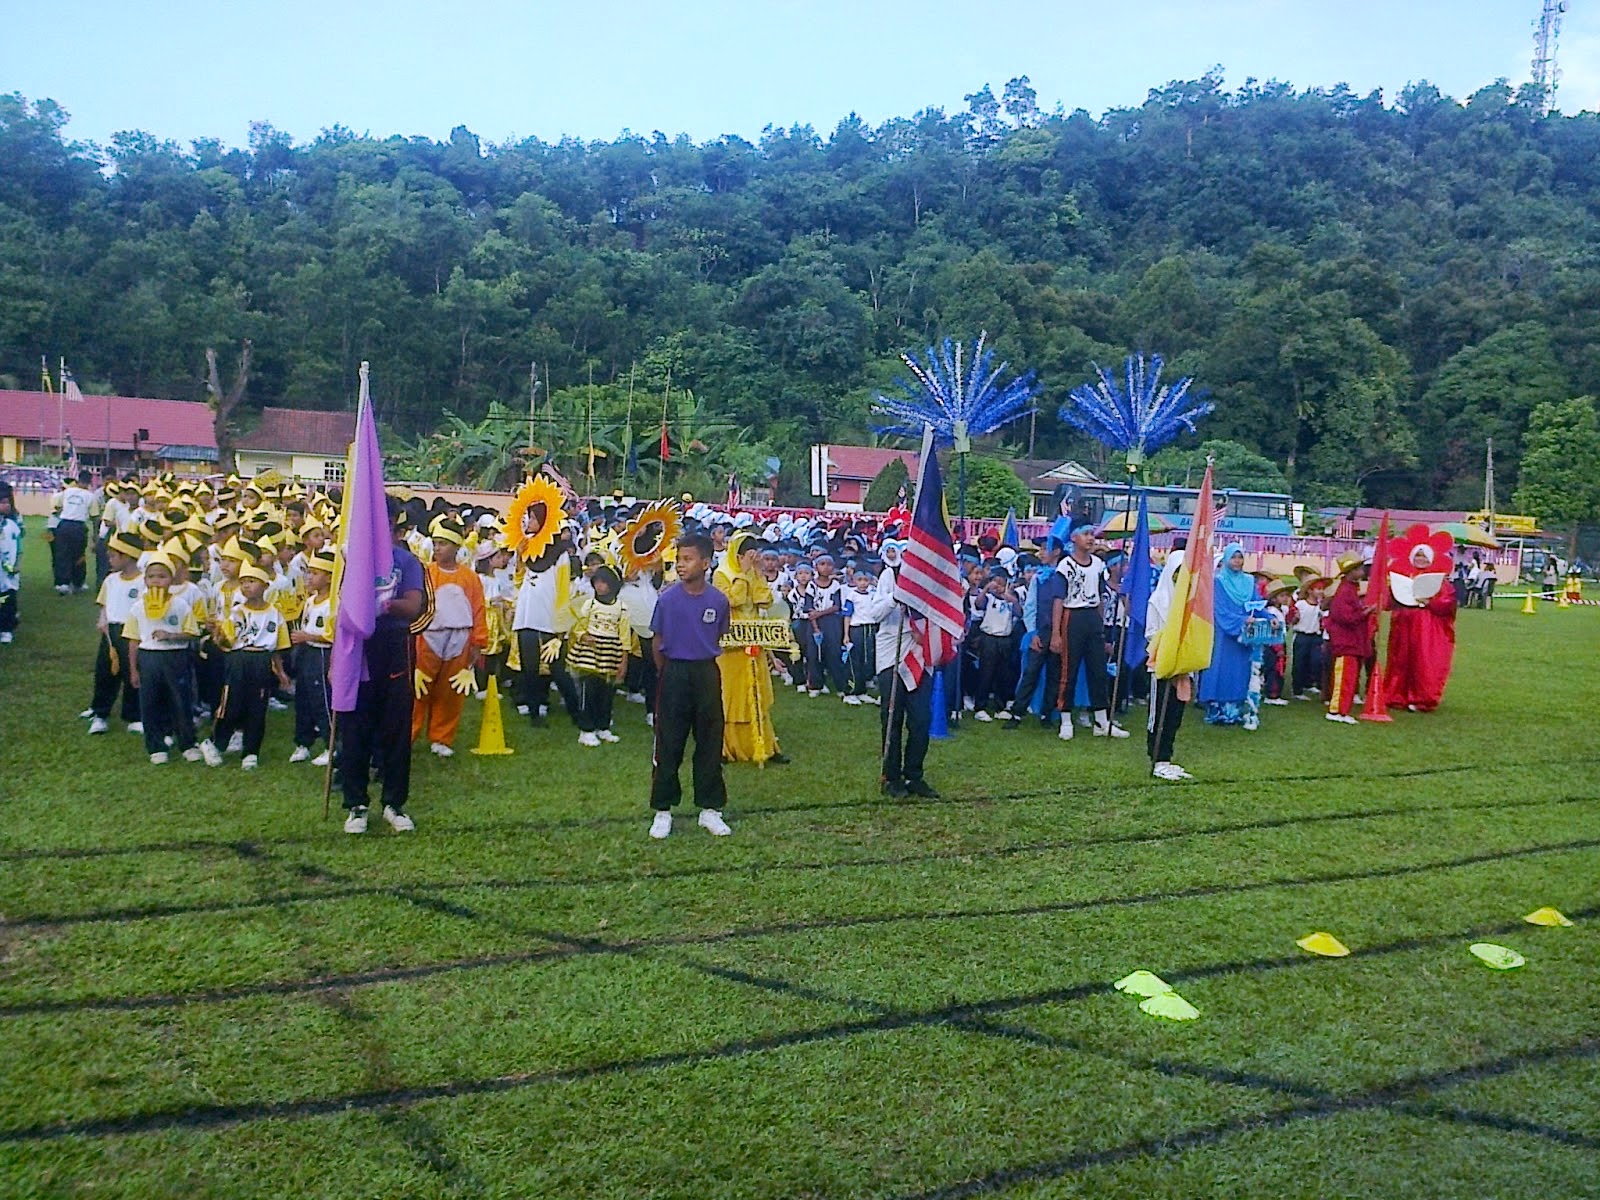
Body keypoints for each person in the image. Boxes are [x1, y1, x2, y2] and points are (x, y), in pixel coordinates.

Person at [341, 497, 431, 833]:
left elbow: (414, 606)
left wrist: (387, 604)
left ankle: (394, 803)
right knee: (355, 727)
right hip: (359, 649)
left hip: (394, 647)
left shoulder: (406, 561)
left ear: (393, 521)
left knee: (395, 728)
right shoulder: (353, 560)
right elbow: (343, 609)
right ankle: (356, 805)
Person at [648, 533, 732, 838]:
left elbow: (718, 634)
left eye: (688, 559)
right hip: (675, 673)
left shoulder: (718, 600)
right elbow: (657, 642)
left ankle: (710, 809)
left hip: (706, 673)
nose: (681, 565)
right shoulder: (667, 599)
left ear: (706, 563)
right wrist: (669, 673)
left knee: (710, 741)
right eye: (678, 559)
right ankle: (663, 809)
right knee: (669, 742)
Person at [200, 562, 290, 770]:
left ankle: (251, 751)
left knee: (257, 707)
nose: (246, 586)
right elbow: (226, 641)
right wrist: (217, 632)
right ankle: (215, 742)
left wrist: (281, 672)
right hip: (239, 659)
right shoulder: (237, 612)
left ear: (265, 585)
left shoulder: (275, 614)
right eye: (243, 583)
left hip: (261, 661)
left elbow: (277, 646)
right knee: (232, 704)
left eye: (251, 581)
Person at [411, 523, 487, 757]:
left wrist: (478, 641)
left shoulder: (470, 578)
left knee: (450, 689)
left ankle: (442, 737)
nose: (438, 548)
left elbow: (478, 609)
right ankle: (408, 733)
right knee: (418, 688)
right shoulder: (426, 573)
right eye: (435, 544)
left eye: (443, 544)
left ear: (455, 546)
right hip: (428, 636)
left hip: (459, 638)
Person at [125, 550, 203, 764]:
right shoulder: (138, 607)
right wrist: (133, 669)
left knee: (181, 700)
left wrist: (171, 636)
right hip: (149, 658)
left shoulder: (180, 605)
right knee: (150, 702)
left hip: (176, 657)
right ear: (145, 580)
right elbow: (132, 639)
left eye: (162, 576)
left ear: (171, 579)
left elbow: (192, 632)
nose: (156, 581)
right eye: (151, 577)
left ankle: (187, 742)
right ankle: (156, 745)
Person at [714, 531, 785, 764]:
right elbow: (731, 601)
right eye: (746, 555)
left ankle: (765, 744)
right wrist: (743, 575)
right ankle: (726, 747)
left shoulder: (754, 573)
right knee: (731, 695)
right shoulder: (721, 574)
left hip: (754, 639)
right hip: (730, 644)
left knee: (757, 691)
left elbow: (765, 599)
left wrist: (756, 573)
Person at [1053, 521, 1127, 740]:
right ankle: (1065, 718)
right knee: (1069, 669)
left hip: (1092, 618)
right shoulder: (1066, 565)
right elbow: (1059, 600)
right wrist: (1056, 633)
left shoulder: (1097, 565)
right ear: (1074, 538)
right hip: (1072, 616)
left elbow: (1100, 596)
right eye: (1085, 534)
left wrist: (1103, 626)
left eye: (1092, 534)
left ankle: (1101, 719)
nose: (1090, 538)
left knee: (1098, 669)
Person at [875, 554, 938, 799]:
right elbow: (874, 613)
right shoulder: (891, 575)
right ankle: (891, 776)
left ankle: (914, 775)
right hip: (892, 658)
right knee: (892, 720)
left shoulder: (933, 581)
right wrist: (895, 598)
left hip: (921, 659)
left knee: (921, 721)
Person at [566, 564, 635, 746]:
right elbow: (578, 624)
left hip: (611, 651)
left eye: (604, 582)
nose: (599, 586)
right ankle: (586, 729)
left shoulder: (622, 609)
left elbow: (624, 635)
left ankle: (602, 726)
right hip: (590, 652)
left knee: (607, 691)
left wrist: (623, 660)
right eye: (596, 581)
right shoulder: (589, 604)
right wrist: (583, 636)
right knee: (589, 689)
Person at [87, 532, 145, 735]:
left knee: (133, 672)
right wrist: (102, 619)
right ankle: (100, 713)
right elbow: (104, 605)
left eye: (113, 556)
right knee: (105, 671)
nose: (109, 559)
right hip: (111, 630)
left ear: (127, 556)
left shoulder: (144, 581)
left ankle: (134, 715)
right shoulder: (111, 580)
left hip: (133, 633)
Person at [1144, 539, 1192, 781]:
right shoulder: (1158, 601)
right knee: (1160, 712)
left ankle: (1167, 757)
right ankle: (1156, 757)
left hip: (1182, 666)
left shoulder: (1189, 605)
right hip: (1161, 665)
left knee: (1176, 712)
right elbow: (1151, 633)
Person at [1007, 541, 1065, 730]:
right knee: (1031, 672)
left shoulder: (1065, 575)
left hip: (1060, 631)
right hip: (1041, 630)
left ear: (1056, 552)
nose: (1040, 553)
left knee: (1055, 674)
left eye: (1044, 549)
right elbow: (1030, 606)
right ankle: (1017, 712)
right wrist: (1032, 632)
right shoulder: (1038, 578)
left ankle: (1047, 713)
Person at [1197, 543, 1257, 725]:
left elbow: (1256, 604)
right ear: (1225, 559)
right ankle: (1216, 710)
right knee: (1220, 669)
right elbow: (1219, 610)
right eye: (1233, 557)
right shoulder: (1219, 581)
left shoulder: (1249, 581)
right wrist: (1241, 621)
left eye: (1240, 557)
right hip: (1223, 635)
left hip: (1244, 636)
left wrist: (1269, 617)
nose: (1237, 561)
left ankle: (1235, 711)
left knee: (1239, 671)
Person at [288, 549, 336, 765]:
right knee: (303, 697)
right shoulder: (310, 601)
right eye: (309, 572)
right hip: (306, 652)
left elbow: (335, 636)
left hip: (322, 653)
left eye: (316, 573)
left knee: (322, 699)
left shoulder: (333, 604)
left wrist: (308, 635)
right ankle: (303, 741)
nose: (310, 577)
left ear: (328, 577)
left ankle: (331, 744)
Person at [1386, 575, 1458, 713]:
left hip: (1427, 630)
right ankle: (1397, 695)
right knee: (1401, 662)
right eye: (1418, 556)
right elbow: (1390, 601)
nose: (1420, 559)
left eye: (1423, 556)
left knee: (1423, 662)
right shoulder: (1403, 575)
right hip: (1404, 628)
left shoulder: (1441, 581)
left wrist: (1428, 602)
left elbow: (1447, 604)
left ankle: (1420, 698)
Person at [1324, 555, 1375, 724]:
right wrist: (1364, 613)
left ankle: (1342, 710)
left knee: (1349, 677)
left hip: (1351, 641)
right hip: (1346, 642)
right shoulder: (1345, 590)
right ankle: (1336, 710)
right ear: (1351, 572)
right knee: (1344, 677)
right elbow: (1345, 617)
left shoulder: (1350, 588)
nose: (1362, 571)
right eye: (1359, 568)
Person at [52, 471, 94, 594]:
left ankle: (63, 583)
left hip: (64, 524)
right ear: (90, 482)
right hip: (79, 526)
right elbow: (95, 516)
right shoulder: (90, 496)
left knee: (63, 554)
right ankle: (78, 582)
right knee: (79, 554)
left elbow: (57, 507)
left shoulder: (67, 492)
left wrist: (65, 513)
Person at [1290, 577, 1325, 699]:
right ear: (1310, 591)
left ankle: (1309, 682)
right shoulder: (1301, 604)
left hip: (1315, 636)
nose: (1320, 592)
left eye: (1322, 589)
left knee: (1316, 661)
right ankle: (1297, 690)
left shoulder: (1320, 606)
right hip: (1302, 636)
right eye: (1318, 589)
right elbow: (1293, 621)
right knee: (1299, 663)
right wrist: (1296, 617)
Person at [0, 483, 21, 645]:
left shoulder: (12, 525)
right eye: (3, 502)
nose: (6, 505)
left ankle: (6, 629)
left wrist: (17, 564)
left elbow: (19, 547)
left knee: (7, 596)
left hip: (9, 569)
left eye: (7, 502)